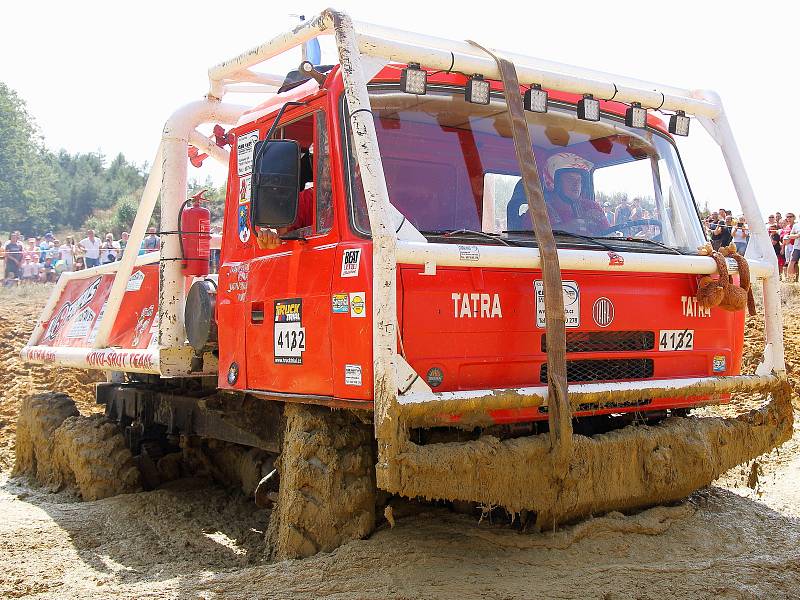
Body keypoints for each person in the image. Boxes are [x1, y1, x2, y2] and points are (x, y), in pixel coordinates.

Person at [541, 152, 609, 234]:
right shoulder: (540, 212)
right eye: (570, 179)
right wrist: (564, 229)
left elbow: (608, 235)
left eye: (579, 180)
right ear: (555, 182)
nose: (576, 184)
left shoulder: (592, 207)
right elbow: (529, 240)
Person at [786, 213, 800, 283]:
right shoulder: (796, 225)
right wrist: (797, 235)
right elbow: (790, 235)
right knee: (792, 262)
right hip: (797, 247)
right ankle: (790, 280)